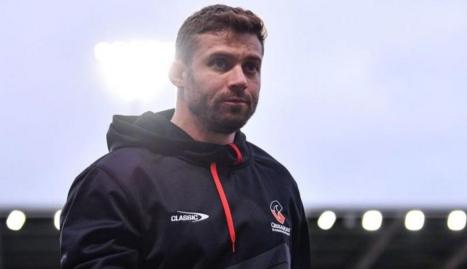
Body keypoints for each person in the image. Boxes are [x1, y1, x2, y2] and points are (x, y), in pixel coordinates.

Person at [60, 4, 311, 269]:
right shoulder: (115, 180)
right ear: (178, 73)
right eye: (220, 63)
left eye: (251, 67)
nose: (240, 79)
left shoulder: (277, 182)